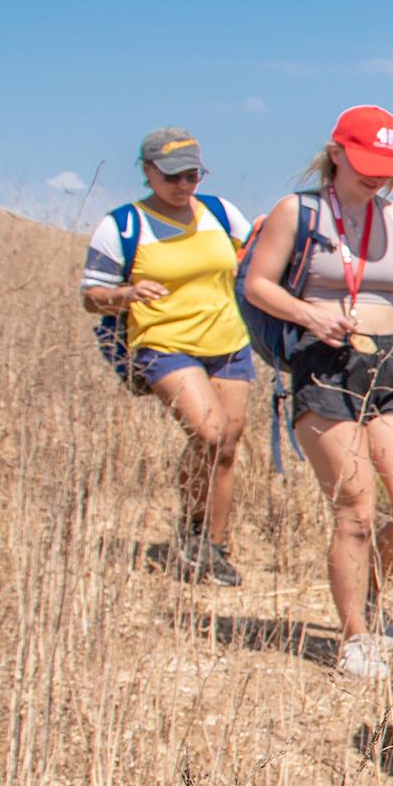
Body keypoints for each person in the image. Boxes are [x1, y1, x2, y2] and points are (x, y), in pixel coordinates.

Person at [243, 106, 393, 680]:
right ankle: (356, 635)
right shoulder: (299, 212)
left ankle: (369, 592)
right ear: (336, 153)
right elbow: (257, 284)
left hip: (390, 362)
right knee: (356, 510)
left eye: (386, 167)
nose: (376, 177)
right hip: (321, 363)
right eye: (365, 163)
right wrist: (309, 314)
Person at [80, 127, 255, 585]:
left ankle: (211, 548)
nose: (183, 185)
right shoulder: (121, 226)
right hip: (163, 343)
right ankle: (194, 530)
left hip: (229, 343)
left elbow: (254, 262)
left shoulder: (221, 214)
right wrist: (126, 293)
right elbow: (90, 296)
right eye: (172, 175)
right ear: (148, 171)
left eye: (192, 175)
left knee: (228, 448)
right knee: (210, 434)